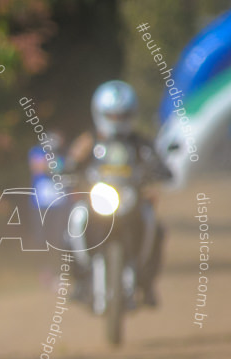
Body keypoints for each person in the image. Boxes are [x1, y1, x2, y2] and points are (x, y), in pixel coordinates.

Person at [66, 80, 171, 306]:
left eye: (122, 116)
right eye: (112, 116)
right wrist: (67, 168)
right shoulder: (89, 141)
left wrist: (161, 171)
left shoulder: (140, 143)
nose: (117, 120)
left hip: (130, 198)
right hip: (98, 199)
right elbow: (72, 160)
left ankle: (147, 282)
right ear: (100, 114)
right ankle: (79, 279)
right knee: (74, 222)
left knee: (156, 226)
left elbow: (158, 162)